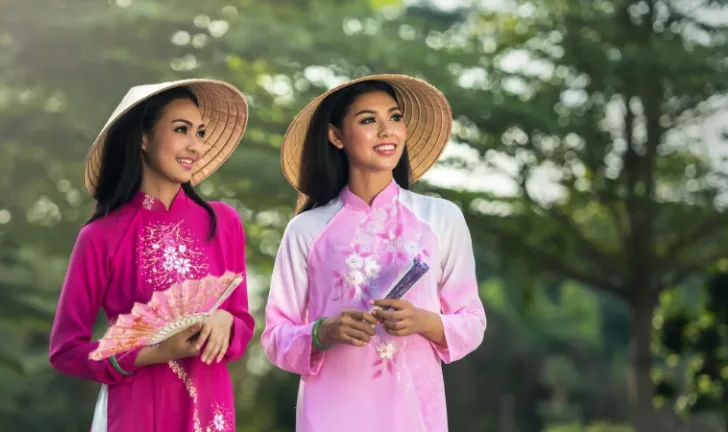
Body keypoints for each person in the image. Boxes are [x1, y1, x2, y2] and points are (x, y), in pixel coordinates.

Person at [261, 74, 487, 431]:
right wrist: (324, 331)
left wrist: (424, 321)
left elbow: (472, 321)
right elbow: (275, 337)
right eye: (369, 120)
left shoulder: (441, 218)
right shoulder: (306, 230)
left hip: (414, 413)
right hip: (330, 413)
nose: (387, 131)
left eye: (395, 118)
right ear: (336, 136)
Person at [49, 79, 255, 432]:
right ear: (143, 138)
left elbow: (242, 324)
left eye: (200, 133)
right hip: (135, 410)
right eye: (181, 129)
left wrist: (225, 322)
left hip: (210, 408)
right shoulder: (101, 236)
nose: (195, 146)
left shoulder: (223, 222)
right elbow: (66, 350)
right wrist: (156, 352)